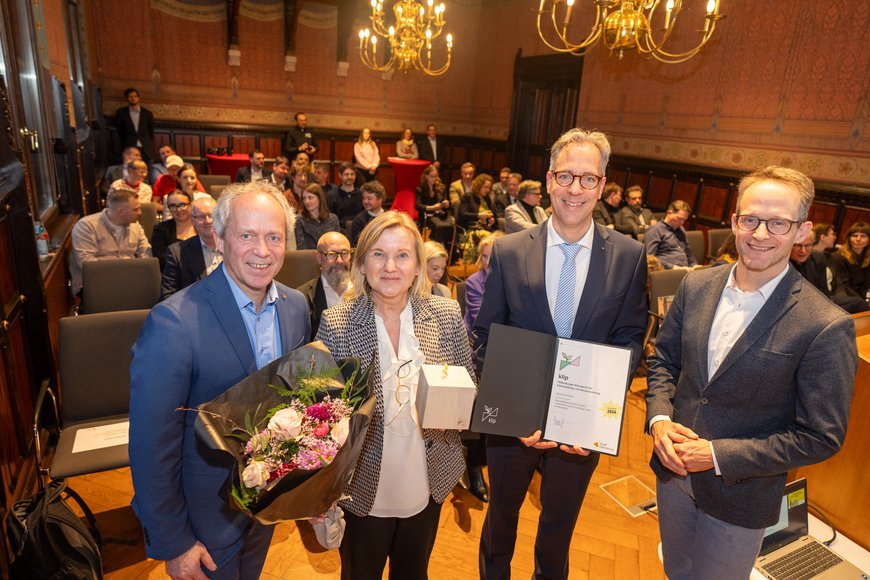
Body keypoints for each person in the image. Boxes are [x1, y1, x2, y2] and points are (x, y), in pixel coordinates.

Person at [646, 165, 857, 579]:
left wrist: (717, 455)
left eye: (778, 222)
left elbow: (821, 436)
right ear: (734, 221)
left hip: (740, 497)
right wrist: (658, 420)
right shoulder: (696, 286)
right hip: (671, 478)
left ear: (802, 231)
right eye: (751, 219)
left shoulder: (825, 324)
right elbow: (664, 361)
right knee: (675, 573)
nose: (760, 234)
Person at [474, 128, 647, 580]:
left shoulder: (629, 255)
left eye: (588, 179)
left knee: (559, 528)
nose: (576, 189)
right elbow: (487, 336)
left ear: (603, 185)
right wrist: (513, 415)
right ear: (549, 179)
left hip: (582, 426)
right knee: (500, 522)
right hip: (513, 426)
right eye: (566, 176)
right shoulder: (510, 251)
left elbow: (630, 336)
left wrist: (597, 411)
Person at [129, 181, 310, 580]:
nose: (262, 251)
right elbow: (151, 447)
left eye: (274, 237)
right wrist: (173, 541)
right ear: (219, 237)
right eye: (247, 235)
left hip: (264, 512)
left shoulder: (296, 307)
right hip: (203, 526)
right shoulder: (174, 322)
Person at [315, 211, 475, 579]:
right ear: (362, 263)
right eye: (378, 254)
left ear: (418, 265)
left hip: (428, 476)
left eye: (402, 255)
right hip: (362, 485)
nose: (390, 266)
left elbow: (469, 383)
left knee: (414, 572)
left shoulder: (447, 314)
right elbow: (323, 418)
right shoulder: (337, 322)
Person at [70, 188, 152, 297]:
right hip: (96, 283)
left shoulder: (135, 226)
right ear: (121, 211)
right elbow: (87, 265)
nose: (140, 213)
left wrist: (141, 274)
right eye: (136, 209)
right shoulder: (86, 226)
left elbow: (145, 253)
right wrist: (124, 276)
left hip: (130, 280)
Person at [160, 196, 222, 300]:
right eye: (201, 217)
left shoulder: (234, 246)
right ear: (192, 220)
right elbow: (168, 296)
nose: (208, 221)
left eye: (212, 215)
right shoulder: (178, 253)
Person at [298, 232, 353, 340]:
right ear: (318, 257)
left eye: (344, 253)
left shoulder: (367, 293)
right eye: (331, 254)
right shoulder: (301, 298)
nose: (340, 261)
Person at [790, 238, 869, 314]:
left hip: (820, 301)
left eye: (807, 245)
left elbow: (823, 290)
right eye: (798, 246)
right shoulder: (782, 261)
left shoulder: (818, 257)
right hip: (794, 304)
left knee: (859, 304)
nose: (803, 251)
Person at [463, 231, 503, 337]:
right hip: (478, 342)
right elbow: (481, 322)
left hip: (502, 336)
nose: (487, 262)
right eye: (485, 256)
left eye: (492, 256)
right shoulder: (473, 283)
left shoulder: (513, 279)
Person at [644, 200, 698, 269]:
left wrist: (694, 264)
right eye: (679, 218)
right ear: (669, 213)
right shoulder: (654, 230)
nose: (682, 222)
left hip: (685, 269)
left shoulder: (681, 229)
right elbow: (650, 258)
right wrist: (673, 267)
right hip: (667, 271)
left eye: (684, 220)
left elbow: (688, 251)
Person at [151, 189, 198, 266]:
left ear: (190, 205)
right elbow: (161, 259)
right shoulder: (160, 229)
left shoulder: (202, 225)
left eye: (182, 205)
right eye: (173, 206)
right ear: (168, 208)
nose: (178, 210)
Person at [414, 165, 453, 248]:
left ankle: (446, 247)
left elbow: (446, 203)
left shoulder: (441, 188)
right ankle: (437, 245)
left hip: (439, 215)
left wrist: (446, 204)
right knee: (439, 226)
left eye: (435, 176)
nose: (434, 179)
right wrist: (432, 208)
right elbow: (417, 206)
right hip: (427, 217)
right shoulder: (420, 189)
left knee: (450, 225)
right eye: (432, 177)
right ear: (426, 176)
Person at [830, 222, 870, 300]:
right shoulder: (838, 256)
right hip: (846, 298)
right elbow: (845, 287)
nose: (858, 239)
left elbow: (867, 285)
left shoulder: (868, 258)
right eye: (854, 235)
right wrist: (863, 304)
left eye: (863, 236)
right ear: (849, 238)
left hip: (861, 299)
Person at [115, 88, 156, 163]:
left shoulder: (147, 114)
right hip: (129, 145)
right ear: (127, 98)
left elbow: (151, 131)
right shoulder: (121, 113)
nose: (133, 99)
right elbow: (120, 130)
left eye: (135, 96)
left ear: (138, 98)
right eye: (130, 96)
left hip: (145, 147)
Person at [295, 183, 340, 250]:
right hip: (308, 258)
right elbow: (301, 247)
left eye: (310, 197)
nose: (306, 201)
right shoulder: (300, 220)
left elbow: (337, 244)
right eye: (304, 198)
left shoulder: (333, 219)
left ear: (319, 198)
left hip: (329, 257)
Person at [350, 180, 386, 246]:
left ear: (380, 199)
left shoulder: (389, 217)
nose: (365, 201)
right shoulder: (359, 220)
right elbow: (357, 245)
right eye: (364, 198)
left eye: (369, 199)